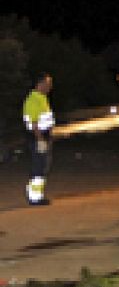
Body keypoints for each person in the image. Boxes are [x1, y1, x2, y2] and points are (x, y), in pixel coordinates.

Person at [22, 73, 55, 206]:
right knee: (39, 166)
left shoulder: (41, 98)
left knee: (43, 165)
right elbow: (34, 123)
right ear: (40, 84)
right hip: (38, 138)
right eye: (48, 83)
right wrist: (41, 139)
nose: (50, 86)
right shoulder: (33, 99)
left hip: (42, 137)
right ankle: (34, 197)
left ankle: (36, 194)